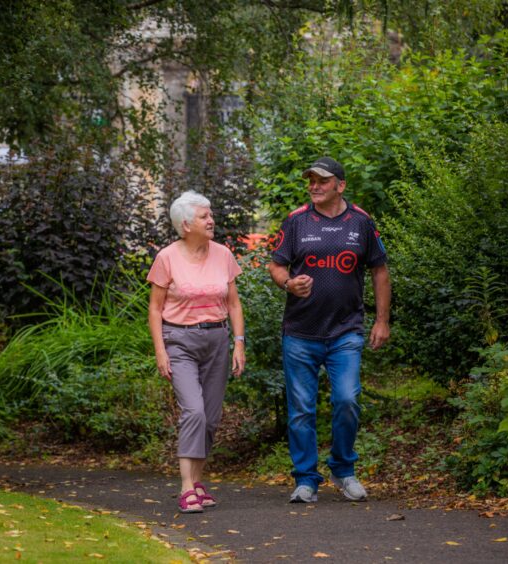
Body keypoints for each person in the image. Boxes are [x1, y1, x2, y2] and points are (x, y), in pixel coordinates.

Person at [267, 156, 391, 503]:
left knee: (347, 399)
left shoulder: (361, 222)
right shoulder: (296, 221)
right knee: (302, 410)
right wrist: (289, 283)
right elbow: (275, 266)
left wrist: (381, 320)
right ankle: (306, 479)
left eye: (322, 180)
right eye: (311, 180)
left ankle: (343, 469)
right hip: (300, 332)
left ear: (340, 185)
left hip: (345, 331)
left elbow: (380, 271)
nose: (314, 186)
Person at [147, 190, 246, 513]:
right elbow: (155, 308)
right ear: (186, 224)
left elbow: (233, 302)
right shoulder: (167, 257)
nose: (211, 220)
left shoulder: (223, 254)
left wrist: (239, 343)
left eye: (211, 214)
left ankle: (199, 483)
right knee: (194, 411)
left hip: (217, 339)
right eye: (205, 216)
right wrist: (161, 351)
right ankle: (186, 488)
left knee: (212, 417)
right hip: (180, 340)